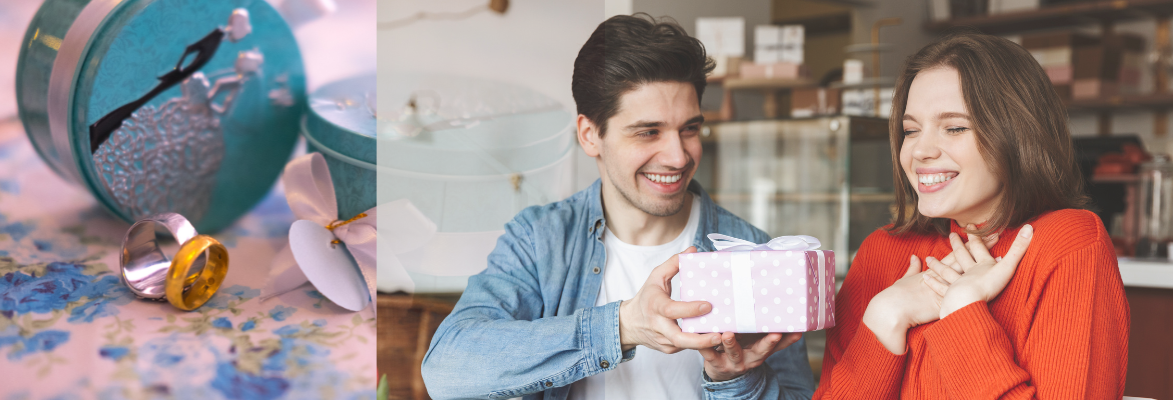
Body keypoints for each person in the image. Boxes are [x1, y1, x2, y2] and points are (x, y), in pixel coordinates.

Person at [421, 14, 816, 400]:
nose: (678, 157)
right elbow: (447, 371)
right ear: (590, 135)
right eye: (649, 132)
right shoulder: (541, 239)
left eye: (689, 129)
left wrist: (734, 381)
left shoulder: (752, 250)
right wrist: (624, 325)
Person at [813, 30, 1129, 399]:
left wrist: (962, 311)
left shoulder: (1067, 243)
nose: (920, 151)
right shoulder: (880, 252)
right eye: (910, 130)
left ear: (1017, 133)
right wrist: (885, 315)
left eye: (955, 127)